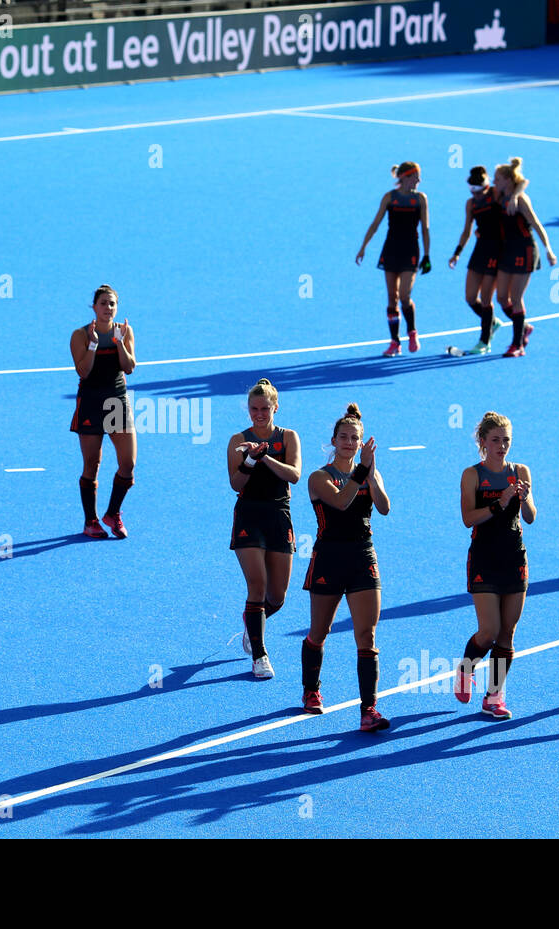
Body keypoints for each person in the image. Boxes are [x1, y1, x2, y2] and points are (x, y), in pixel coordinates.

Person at [300, 404, 392, 731]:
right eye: (344, 437)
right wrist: (360, 472)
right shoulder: (318, 477)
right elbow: (341, 502)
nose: (350, 442)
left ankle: (369, 711)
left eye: (355, 438)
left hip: (363, 557)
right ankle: (311, 690)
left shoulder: (368, 471)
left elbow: (383, 507)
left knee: (366, 635)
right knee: (319, 632)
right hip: (329, 558)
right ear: (333, 441)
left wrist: (373, 471)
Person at [453, 412, 536, 719]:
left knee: (507, 634)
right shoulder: (472, 474)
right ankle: (466, 667)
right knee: (488, 631)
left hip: (514, 557)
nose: (502, 446)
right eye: (496, 440)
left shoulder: (520, 470)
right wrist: (499, 503)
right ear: (483, 442)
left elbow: (530, 517)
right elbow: (468, 519)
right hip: (484, 559)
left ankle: (494, 695)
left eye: (506, 440)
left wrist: (524, 499)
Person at [227, 378, 302, 679]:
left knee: (277, 596)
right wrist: (248, 460)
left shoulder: (289, 437)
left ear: (275, 408)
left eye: (265, 408)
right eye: (254, 408)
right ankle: (259, 656)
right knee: (256, 587)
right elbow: (235, 483)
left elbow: (294, 474)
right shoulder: (237, 440)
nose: (259, 414)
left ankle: (252, 623)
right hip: (249, 515)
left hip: (278, 515)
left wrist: (264, 456)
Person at [70, 285, 136, 539]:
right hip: (91, 401)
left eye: (112, 304)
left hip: (117, 401)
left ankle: (112, 513)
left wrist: (120, 343)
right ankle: (90, 521)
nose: (108, 308)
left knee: (128, 464)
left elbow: (129, 367)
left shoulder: (124, 331)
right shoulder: (80, 335)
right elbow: (83, 372)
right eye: (103, 304)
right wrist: (94, 345)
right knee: (92, 464)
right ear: (94, 307)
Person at [447, 165, 525, 355]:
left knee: (487, 300)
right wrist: (457, 252)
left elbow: (522, 182)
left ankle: (484, 342)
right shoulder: (471, 204)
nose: (477, 194)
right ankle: (494, 323)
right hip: (480, 249)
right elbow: (467, 230)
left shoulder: (495, 194)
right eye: (473, 191)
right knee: (470, 297)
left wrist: (515, 196)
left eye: (480, 190)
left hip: (497, 251)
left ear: (486, 185)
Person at [356, 162, 431, 356]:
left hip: (410, 251)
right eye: (416, 177)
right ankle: (394, 342)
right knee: (392, 298)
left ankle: (412, 332)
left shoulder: (420, 199)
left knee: (405, 296)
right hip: (391, 250)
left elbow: (425, 229)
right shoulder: (390, 198)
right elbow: (376, 223)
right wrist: (363, 246)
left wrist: (427, 255)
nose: (419, 180)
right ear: (405, 177)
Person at [492, 158, 556, 358]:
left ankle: (517, 345)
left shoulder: (521, 200)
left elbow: (536, 224)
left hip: (524, 250)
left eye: (498, 179)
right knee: (502, 297)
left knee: (516, 297)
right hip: (506, 250)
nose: (494, 182)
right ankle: (525, 327)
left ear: (508, 180)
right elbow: (522, 182)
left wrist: (548, 249)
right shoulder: (500, 195)